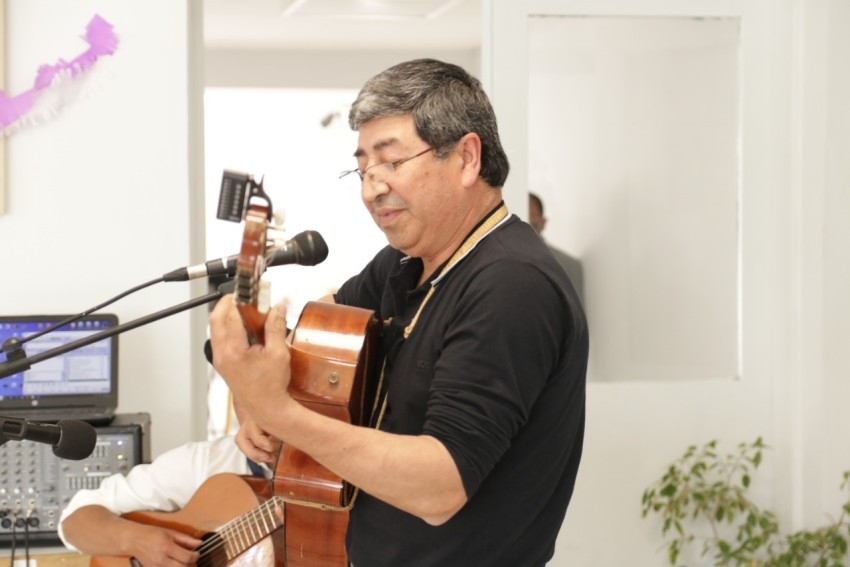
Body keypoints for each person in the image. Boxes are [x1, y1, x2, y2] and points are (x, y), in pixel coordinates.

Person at [210, 58, 588, 567]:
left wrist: (280, 412)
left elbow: (441, 484)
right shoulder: (407, 262)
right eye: (362, 168)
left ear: (468, 157)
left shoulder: (512, 284)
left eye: (391, 162)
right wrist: (253, 392)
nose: (371, 188)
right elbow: (317, 332)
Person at [58, 404, 264, 566]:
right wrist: (136, 540)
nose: (261, 412)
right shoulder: (204, 462)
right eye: (246, 394)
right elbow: (74, 521)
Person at [529, 191, 584, 303]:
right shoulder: (497, 264)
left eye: (532, 226)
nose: (527, 233)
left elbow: (577, 317)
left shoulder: (568, 266)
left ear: (543, 223)